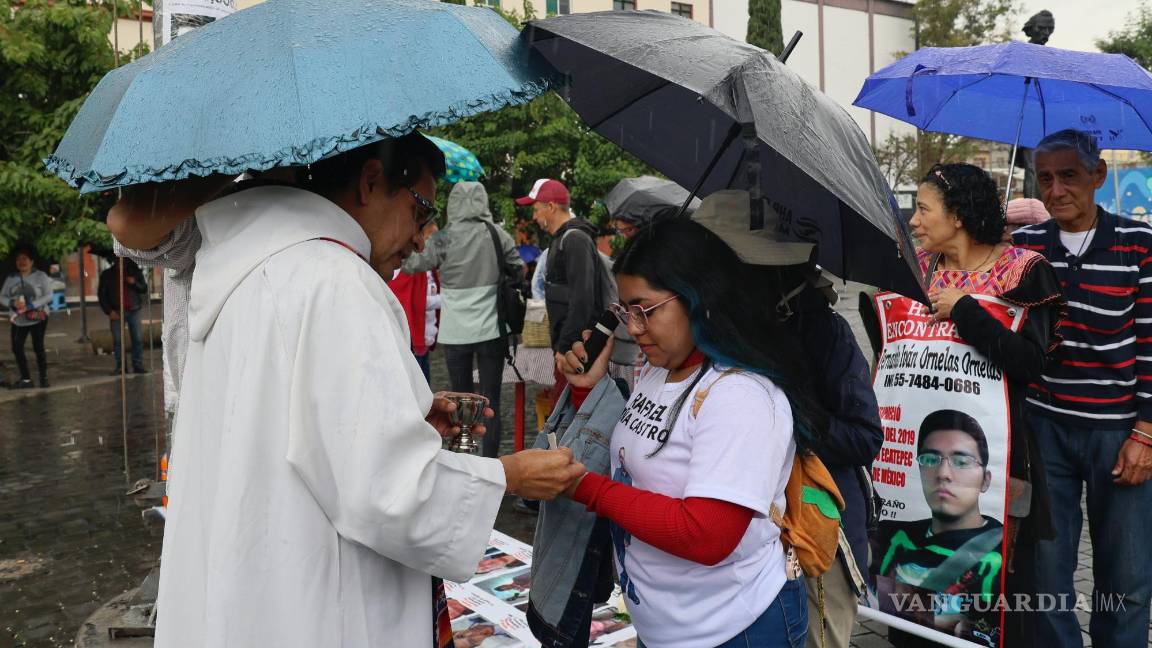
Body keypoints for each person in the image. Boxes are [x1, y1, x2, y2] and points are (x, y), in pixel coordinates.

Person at [148, 133, 585, 648]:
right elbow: (390, 492)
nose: (423, 239)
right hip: (314, 606)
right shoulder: (335, 281)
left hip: (250, 584)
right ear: (371, 180)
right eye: (422, 210)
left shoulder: (244, 267)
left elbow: (299, 431)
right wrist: (507, 474)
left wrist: (404, 417)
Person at [558, 215, 827, 648]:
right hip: (667, 626)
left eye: (645, 310)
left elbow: (708, 534)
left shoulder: (741, 395)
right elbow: (635, 460)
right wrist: (586, 394)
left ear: (698, 297)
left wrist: (586, 488)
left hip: (734, 629)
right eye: (625, 311)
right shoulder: (659, 368)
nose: (633, 328)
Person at [694, 190, 883, 648]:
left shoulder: (819, 328)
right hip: (740, 543)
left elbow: (863, 435)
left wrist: (784, 419)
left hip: (815, 537)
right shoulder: (706, 328)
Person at [899, 161, 1062, 646]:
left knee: (994, 594)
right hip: (923, 460)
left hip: (1001, 461)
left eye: (923, 209)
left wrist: (966, 309)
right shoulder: (918, 270)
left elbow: (1031, 363)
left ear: (959, 216)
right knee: (919, 592)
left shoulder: (1025, 273)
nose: (913, 221)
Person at [1012, 129, 1152, 648]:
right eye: (1045, 178)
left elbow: (1150, 345)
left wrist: (1146, 434)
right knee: (1046, 571)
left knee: (1129, 577)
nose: (1056, 190)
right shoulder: (1026, 248)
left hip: (1118, 434)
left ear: (1098, 176)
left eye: (1069, 175)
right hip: (1042, 429)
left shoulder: (1138, 246)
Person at [404, 181, 523, 457]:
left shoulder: (442, 239)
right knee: (490, 399)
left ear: (454, 203)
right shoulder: (497, 234)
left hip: (455, 332)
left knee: (459, 401)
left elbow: (412, 265)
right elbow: (516, 266)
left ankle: (462, 459)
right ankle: (492, 463)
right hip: (491, 329)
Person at [874, 410, 1003, 644]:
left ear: (986, 480)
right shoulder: (891, 536)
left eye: (961, 462)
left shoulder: (1003, 552)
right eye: (930, 460)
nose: (943, 473)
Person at [519, 179, 606, 383]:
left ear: (551, 206)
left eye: (536, 210)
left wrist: (565, 346)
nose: (534, 217)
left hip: (575, 350)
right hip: (568, 348)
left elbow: (583, 298)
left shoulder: (575, 239)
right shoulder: (562, 239)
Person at [387, 220, 441, 382]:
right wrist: (449, 301)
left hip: (423, 335)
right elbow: (413, 301)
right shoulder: (412, 266)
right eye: (431, 237)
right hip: (411, 338)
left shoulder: (427, 264)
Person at [2, 246, 53, 389]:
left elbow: (49, 295)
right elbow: (2, 296)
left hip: (37, 317)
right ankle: (26, 379)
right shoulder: (11, 278)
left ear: (31, 261)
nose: (21, 261)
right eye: (18, 259)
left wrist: (31, 305)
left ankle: (44, 377)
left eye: (25, 258)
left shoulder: (41, 276)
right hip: (18, 319)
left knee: (38, 347)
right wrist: (12, 303)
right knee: (17, 347)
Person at [98, 257, 150, 375]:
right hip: (116, 311)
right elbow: (102, 295)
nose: (120, 260)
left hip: (134, 309)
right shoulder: (107, 274)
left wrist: (134, 283)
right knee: (118, 340)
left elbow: (144, 288)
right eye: (117, 258)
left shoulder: (134, 271)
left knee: (137, 339)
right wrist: (109, 311)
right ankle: (121, 366)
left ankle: (137, 364)